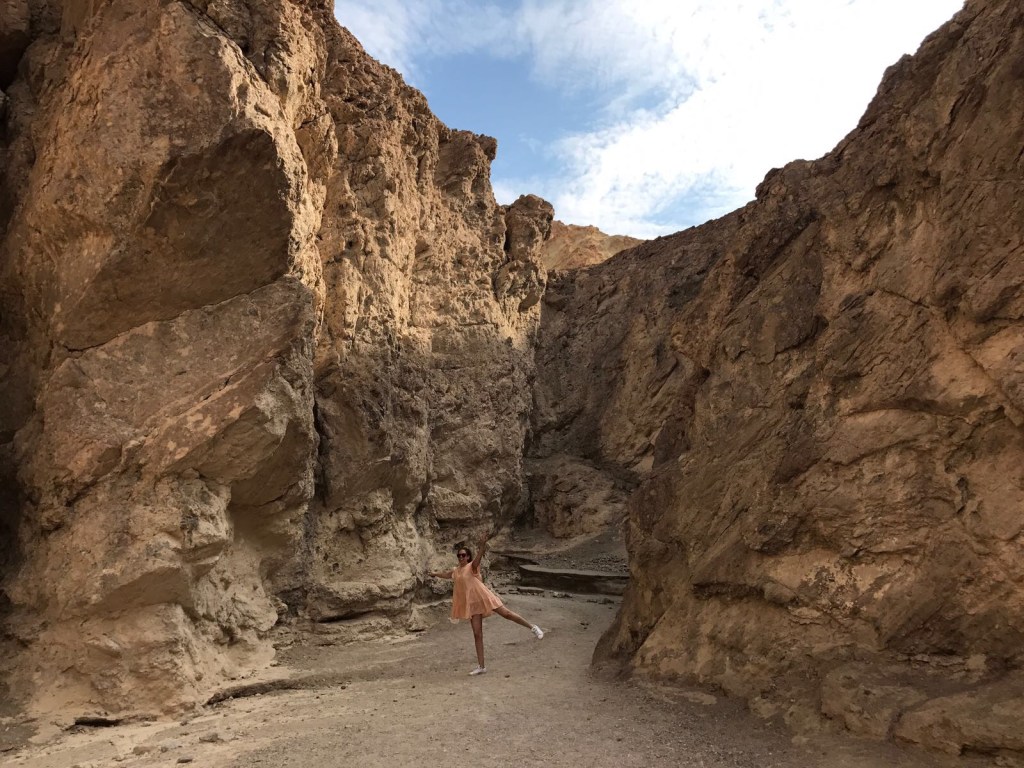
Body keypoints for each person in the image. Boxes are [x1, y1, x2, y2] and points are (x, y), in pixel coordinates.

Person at [428, 532, 543, 676]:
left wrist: (482, 545)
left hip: (484, 597)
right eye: (459, 555)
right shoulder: (455, 571)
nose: (461, 557)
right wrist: (434, 574)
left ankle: (533, 627)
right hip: (473, 605)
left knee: (506, 614)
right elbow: (446, 574)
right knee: (477, 634)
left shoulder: (472, 567)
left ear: (468, 557)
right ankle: (481, 666)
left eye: (463, 555)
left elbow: (478, 558)